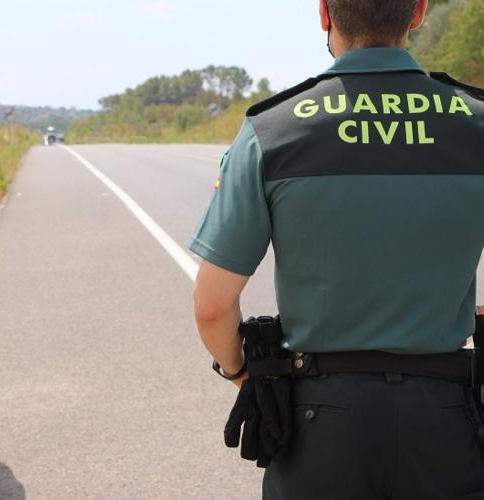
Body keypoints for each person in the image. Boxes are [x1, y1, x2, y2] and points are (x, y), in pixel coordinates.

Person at [189, 1, 484, 498]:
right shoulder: (476, 122)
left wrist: (244, 374)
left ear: (324, 13)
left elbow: (213, 306)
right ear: (418, 12)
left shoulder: (273, 129)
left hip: (319, 423)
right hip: (448, 419)